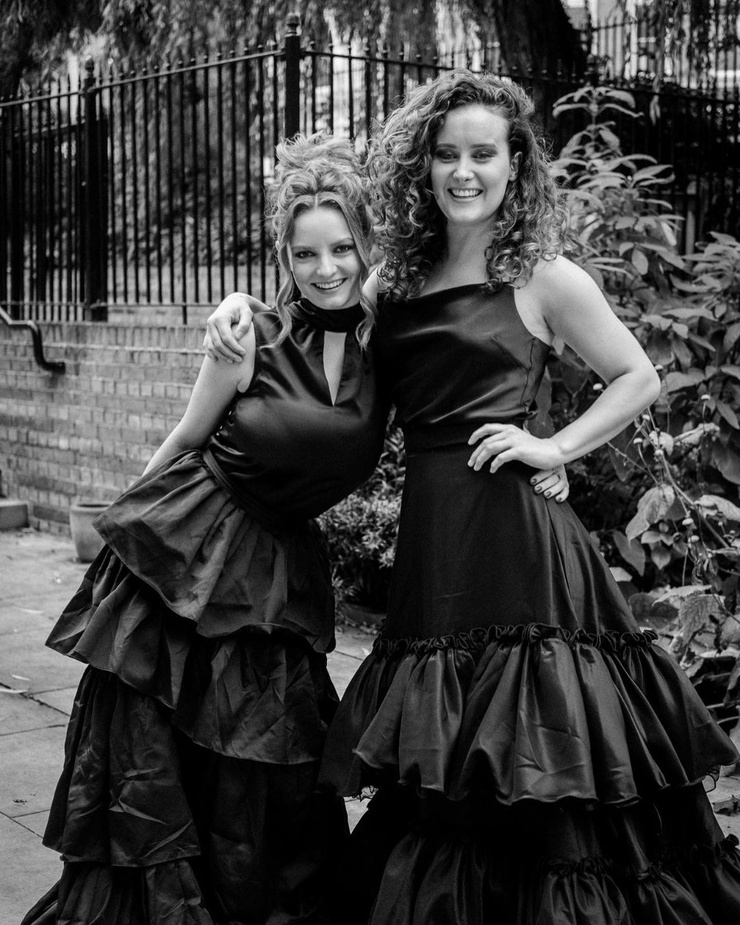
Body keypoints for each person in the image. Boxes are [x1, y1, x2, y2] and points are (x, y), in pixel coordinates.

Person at [205, 71, 740, 924]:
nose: (464, 171)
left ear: (515, 163)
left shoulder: (543, 276)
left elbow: (638, 375)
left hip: (522, 548)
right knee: (446, 752)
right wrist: (238, 302)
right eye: (447, 154)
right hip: (436, 546)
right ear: (424, 164)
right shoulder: (395, 280)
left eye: (483, 154)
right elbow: (314, 308)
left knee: (542, 740)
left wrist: (555, 446)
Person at [21, 133, 389, 925]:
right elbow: (186, 440)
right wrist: (125, 540)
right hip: (192, 547)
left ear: (367, 245)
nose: (325, 268)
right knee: (162, 756)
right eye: (303, 253)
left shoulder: (384, 353)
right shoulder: (248, 331)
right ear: (283, 257)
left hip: (280, 573)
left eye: (341, 248)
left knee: (270, 767)